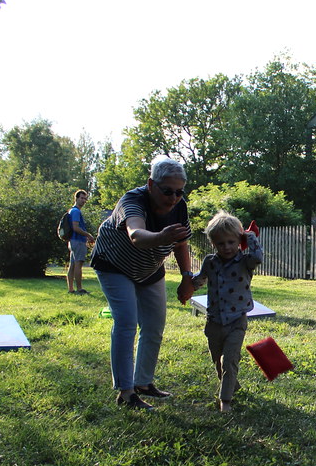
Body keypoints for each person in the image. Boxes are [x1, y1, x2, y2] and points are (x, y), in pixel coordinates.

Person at [90, 156, 194, 410]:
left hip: (150, 268)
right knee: (126, 321)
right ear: (151, 184)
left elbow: (181, 244)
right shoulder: (133, 200)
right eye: (167, 191)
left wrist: (186, 277)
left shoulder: (180, 207)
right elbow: (136, 235)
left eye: (179, 192)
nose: (173, 198)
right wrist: (161, 236)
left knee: (155, 324)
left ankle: (143, 382)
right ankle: (126, 393)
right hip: (114, 264)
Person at [190, 210, 263, 413]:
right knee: (218, 360)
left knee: (230, 359)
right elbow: (200, 279)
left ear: (238, 240)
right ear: (213, 243)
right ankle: (233, 386)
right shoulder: (210, 262)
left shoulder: (245, 262)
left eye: (231, 242)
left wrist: (250, 237)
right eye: (221, 243)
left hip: (236, 320)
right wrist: (190, 282)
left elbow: (257, 257)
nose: (227, 247)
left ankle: (226, 402)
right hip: (214, 321)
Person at [66, 189, 96, 294]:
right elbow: (75, 227)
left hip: (73, 241)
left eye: (85, 199)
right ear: (77, 198)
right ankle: (79, 289)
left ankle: (71, 289)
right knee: (78, 264)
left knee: (73, 265)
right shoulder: (76, 211)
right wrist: (88, 235)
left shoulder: (72, 210)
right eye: (82, 198)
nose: (84, 201)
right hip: (77, 241)